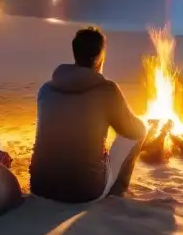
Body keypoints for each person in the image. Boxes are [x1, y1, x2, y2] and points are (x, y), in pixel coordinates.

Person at [30, 26, 148, 202]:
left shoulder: (46, 89)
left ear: (75, 53)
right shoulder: (107, 89)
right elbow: (133, 130)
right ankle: (116, 193)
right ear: (100, 56)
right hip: (85, 192)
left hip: (40, 187)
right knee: (140, 130)